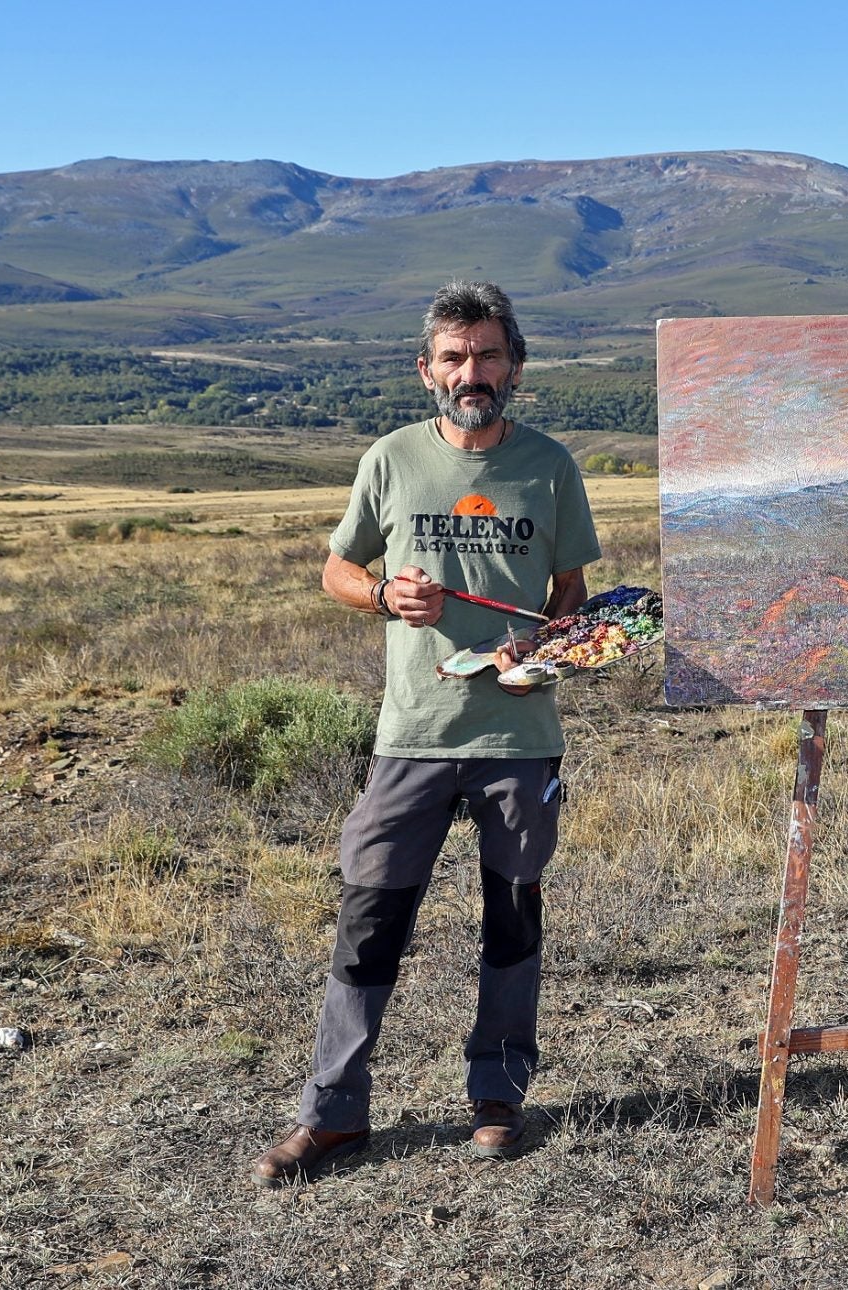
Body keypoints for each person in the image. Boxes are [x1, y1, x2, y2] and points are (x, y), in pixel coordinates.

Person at [252, 281, 600, 1185]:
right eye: (454, 356)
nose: (471, 372)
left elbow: (572, 594)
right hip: (410, 734)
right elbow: (336, 569)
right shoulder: (392, 460)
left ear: (513, 367)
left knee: (512, 921)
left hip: (520, 739)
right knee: (369, 920)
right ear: (426, 371)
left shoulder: (551, 466)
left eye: (487, 355)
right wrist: (381, 595)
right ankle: (332, 1118)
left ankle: (497, 1100)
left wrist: (554, 643)